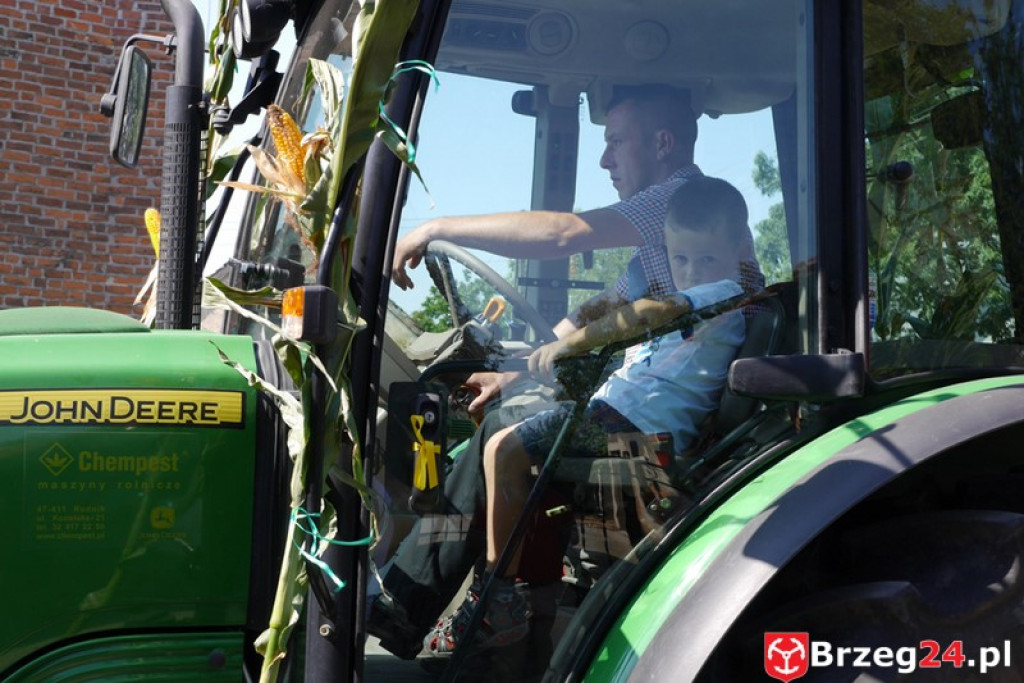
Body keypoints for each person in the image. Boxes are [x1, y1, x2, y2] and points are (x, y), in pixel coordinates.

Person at [367, 86, 759, 659]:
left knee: (502, 436)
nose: (606, 160)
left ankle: (430, 601)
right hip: (640, 396)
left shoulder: (678, 202)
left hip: (651, 422)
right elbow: (602, 307)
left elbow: (563, 234)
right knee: (503, 415)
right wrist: (517, 370)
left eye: (616, 142)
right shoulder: (669, 237)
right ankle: (466, 599)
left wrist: (436, 228)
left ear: (663, 144)